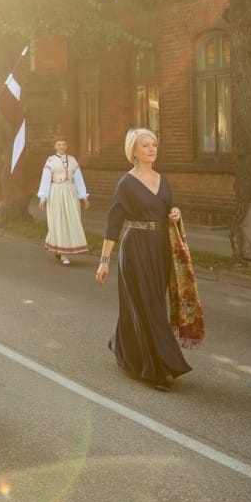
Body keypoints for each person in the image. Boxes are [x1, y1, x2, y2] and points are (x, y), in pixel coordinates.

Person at [95, 128, 204, 391]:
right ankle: (156, 368)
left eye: (154, 144)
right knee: (149, 307)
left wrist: (175, 212)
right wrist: (104, 260)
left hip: (160, 249)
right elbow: (114, 223)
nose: (152, 149)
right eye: (145, 145)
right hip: (135, 249)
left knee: (151, 302)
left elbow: (167, 209)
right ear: (134, 150)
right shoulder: (126, 183)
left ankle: (121, 343)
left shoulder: (162, 180)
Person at [37, 137, 91, 265]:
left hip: (70, 192)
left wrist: (84, 196)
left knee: (72, 219)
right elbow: (46, 178)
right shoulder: (50, 160)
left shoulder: (72, 160)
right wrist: (43, 197)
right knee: (58, 220)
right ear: (55, 146)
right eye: (59, 145)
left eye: (63, 144)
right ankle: (62, 253)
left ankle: (58, 245)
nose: (61, 147)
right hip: (56, 192)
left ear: (66, 146)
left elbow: (78, 178)